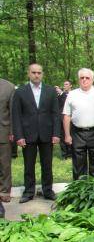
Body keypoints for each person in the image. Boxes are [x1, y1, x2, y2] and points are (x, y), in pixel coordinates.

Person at [12, 63, 60, 203]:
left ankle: (48, 191)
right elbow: (16, 115)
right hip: (28, 134)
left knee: (47, 165)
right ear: (29, 73)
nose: (36, 75)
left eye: (39, 72)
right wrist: (19, 136)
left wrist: (56, 133)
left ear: (42, 74)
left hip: (47, 133)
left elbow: (55, 114)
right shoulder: (20, 92)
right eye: (34, 72)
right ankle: (28, 192)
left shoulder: (50, 91)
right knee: (28, 165)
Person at [63, 68, 94, 180]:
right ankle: (79, 188)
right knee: (78, 165)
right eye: (82, 77)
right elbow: (66, 116)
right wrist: (67, 135)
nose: (84, 80)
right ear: (78, 79)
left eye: (87, 78)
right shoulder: (72, 94)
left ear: (92, 79)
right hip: (77, 133)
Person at [0, 78, 15, 204]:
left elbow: (12, 112)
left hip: (3, 131)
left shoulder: (8, 87)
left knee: (4, 164)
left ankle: (4, 191)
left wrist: (12, 131)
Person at [56, 80, 73, 159]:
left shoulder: (73, 94)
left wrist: (62, 93)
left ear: (70, 85)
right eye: (64, 84)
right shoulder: (60, 95)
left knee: (71, 135)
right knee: (62, 136)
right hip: (62, 119)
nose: (64, 86)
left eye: (66, 84)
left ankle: (70, 153)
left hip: (71, 119)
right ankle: (64, 154)